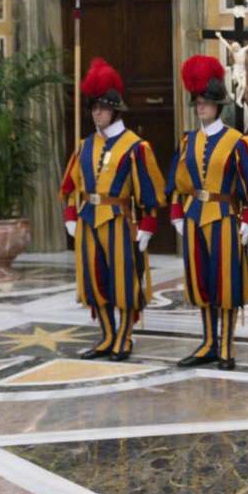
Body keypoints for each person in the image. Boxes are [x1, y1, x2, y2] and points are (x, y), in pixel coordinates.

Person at [166, 55, 248, 370]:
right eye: (197, 102)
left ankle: (226, 345)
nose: (201, 107)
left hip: (225, 217)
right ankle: (208, 342)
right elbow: (176, 182)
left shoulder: (237, 142)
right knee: (200, 280)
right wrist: (177, 213)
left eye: (206, 102)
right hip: (194, 216)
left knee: (225, 282)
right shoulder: (188, 140)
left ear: (218, 105)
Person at [60, 58, 166, 361]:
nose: (97, 113)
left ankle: (124, 336)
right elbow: (70, 186)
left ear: (115, 110)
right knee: (95, 280)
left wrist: (147, 225)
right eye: (94, 108)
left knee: (123, 281)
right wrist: (70, 216)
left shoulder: (136, 147)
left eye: (103, 108)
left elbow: (149, 192)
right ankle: (107, 335)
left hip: (120, 221)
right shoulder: (84, 145)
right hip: (88, 220)